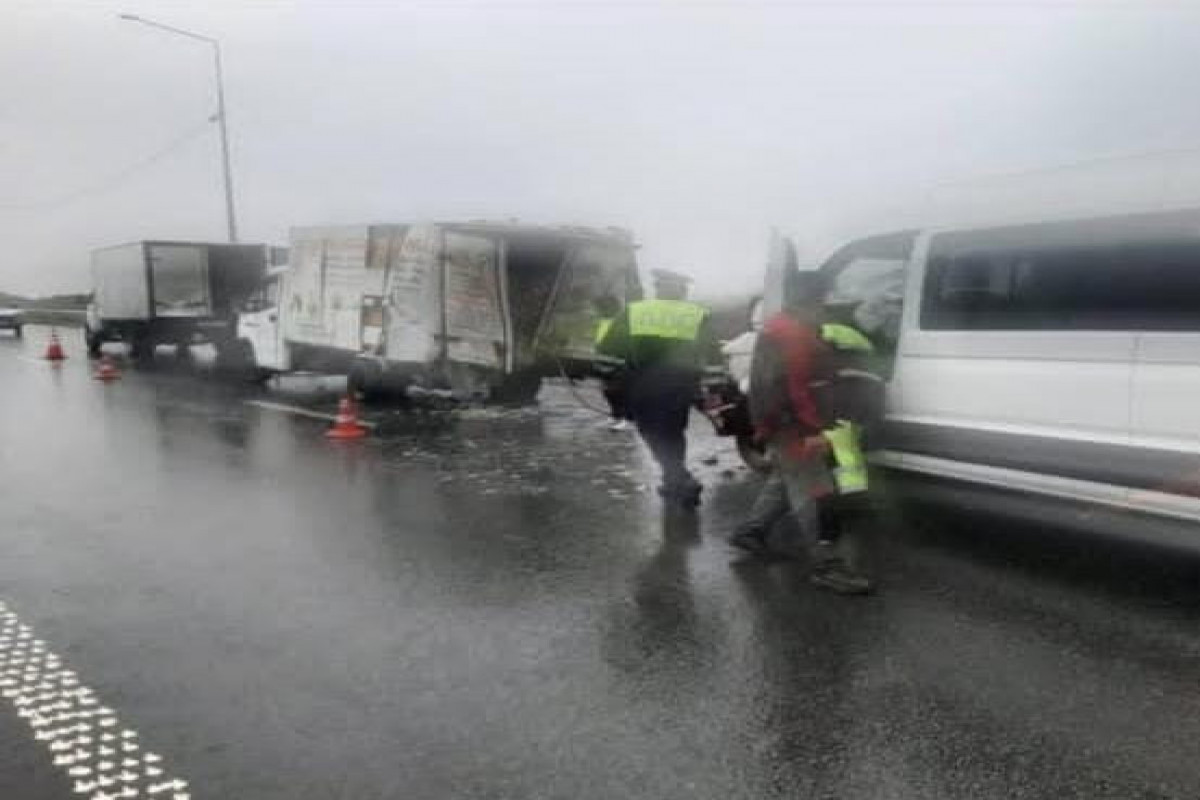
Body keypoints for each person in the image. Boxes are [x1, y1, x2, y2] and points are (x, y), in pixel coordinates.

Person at [727, 271, 871, 595]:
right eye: (822, 302)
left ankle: (750, 533)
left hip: (783, 423)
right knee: (815, 493)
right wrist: (812, 430)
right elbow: (793, 388)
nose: (825, 309)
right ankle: (827, 565)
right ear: (809, 301)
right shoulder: (792, 334)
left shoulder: (785, 327)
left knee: (785, 481)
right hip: (794, 427)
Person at [598, 269, 714, 507]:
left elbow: (609, 347)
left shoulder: (635, 311)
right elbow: (710, 351)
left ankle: (680, 477)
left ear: (658, 288)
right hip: (682, 384)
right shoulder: (698, 314)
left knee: (650, 431)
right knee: (674, 432)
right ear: (682, 291)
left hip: (645, 382)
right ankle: (672, 481)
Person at [593, 295, 630, 431]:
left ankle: (625, 418)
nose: (599, 311)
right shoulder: (603, 321)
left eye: (602, 308)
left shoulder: (620, 323)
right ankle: (616, 416)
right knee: (607, 390)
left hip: (617, 360)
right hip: (604, 358)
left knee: (618, 391)